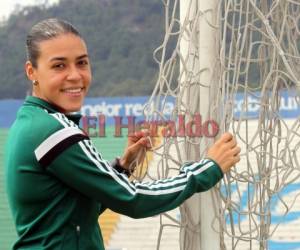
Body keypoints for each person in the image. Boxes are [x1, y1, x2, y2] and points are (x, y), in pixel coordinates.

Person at [5, 18, 241, 250]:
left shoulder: (29, 123)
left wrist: (123, 167)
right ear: (31, 71)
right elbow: (134, 199)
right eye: (59, 65)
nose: (75, 75)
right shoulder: (53, 131)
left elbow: (74, 212)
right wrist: (208, 169)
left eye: (82, 63)